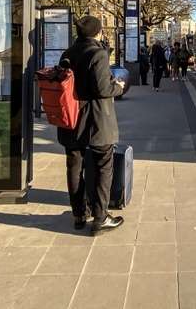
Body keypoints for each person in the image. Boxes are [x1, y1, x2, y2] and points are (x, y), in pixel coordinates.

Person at [57, 15, 126, 235]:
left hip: (71, 118)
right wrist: (120, 87)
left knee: (74, 165)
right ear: (97, 32)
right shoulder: (98, 53)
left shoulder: (67, 54)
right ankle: (100, 217)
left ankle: (78, 213)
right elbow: (103, 88)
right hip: (96, 119)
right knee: (103, 166)